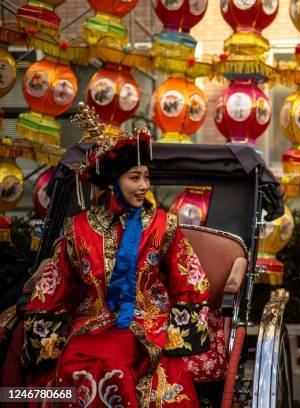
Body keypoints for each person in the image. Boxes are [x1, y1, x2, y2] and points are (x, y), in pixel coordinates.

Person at [22, 105, 210, 407]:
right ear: (112, 183)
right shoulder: (78, 229)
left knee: (112, 366)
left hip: (145, 323)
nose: (144, 186)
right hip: (90, 324)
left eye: (146, 177)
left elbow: (190, 280)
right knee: (73, 364)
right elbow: (53, 289)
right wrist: (46, 335)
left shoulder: (162, 225)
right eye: (135, 178)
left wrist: (177, 331)